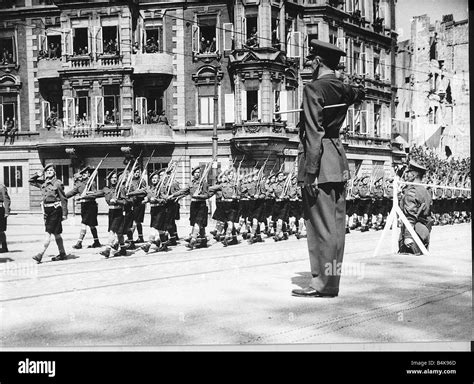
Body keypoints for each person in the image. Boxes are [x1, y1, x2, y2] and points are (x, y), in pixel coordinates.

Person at [292, 39, 365, 298]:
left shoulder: (313, 89)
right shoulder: (343, 89)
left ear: (318, 61)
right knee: (335, 227)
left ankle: (321, 284)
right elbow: (359, 92)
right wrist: (351, 85)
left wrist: (309, 172)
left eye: (311, 60)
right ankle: (331, 283)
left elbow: (313, 133)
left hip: (320, 165)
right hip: (337, 160)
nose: (309, 64)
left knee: (320, 226)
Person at [30, 164, 68, 263]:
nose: (49, 172)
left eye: (51, 170)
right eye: (47, 171)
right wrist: (38, 174)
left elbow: (63, 198)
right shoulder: (43, 183)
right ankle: (62, 253)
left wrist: (65, 214)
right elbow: (31, 181)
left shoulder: (57, 183)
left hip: (55, 210)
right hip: (47, 211)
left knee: (48, 232)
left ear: (54, 172)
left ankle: (40, 254)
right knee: (56, 233)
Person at [170, 166, 211, 250]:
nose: (197, 174)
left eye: (199, 172)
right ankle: (203, 241)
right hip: (193, 205)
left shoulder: (203, 183)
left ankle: (193, 240)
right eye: (196, 172)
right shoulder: (190, 183)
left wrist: (199, 196)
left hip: (201, 205)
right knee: (198, 224)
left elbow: (207, 195)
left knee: (198, 222)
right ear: (193, 174)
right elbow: (184, 191)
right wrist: (173, 195)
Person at [398, 160, 433, 256]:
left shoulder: (412, 191)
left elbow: (410, 216)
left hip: (413, 232)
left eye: (408, 172)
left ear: (414, 175)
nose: (406, 175)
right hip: (424, 231)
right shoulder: (425, 190)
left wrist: (408, 236)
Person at [66, 166, 102, 249]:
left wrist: (84, 196)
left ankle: (79, 243)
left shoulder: (91, 183)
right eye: (82, 174)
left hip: (91, 205)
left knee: (86, 224)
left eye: (85, 173)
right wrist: (62, 197)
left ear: (89, 174)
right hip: (84, 206)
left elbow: (94, 195)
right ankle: (96, 242)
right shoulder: (80, 185)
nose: (83, 175)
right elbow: (72, 192)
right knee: (89, 225)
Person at [0, 182, 11, 253]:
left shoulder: (1, 187)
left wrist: (6, 211)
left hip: (0, 210)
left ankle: (4, 247)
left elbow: (6, 199)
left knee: (0, 230)